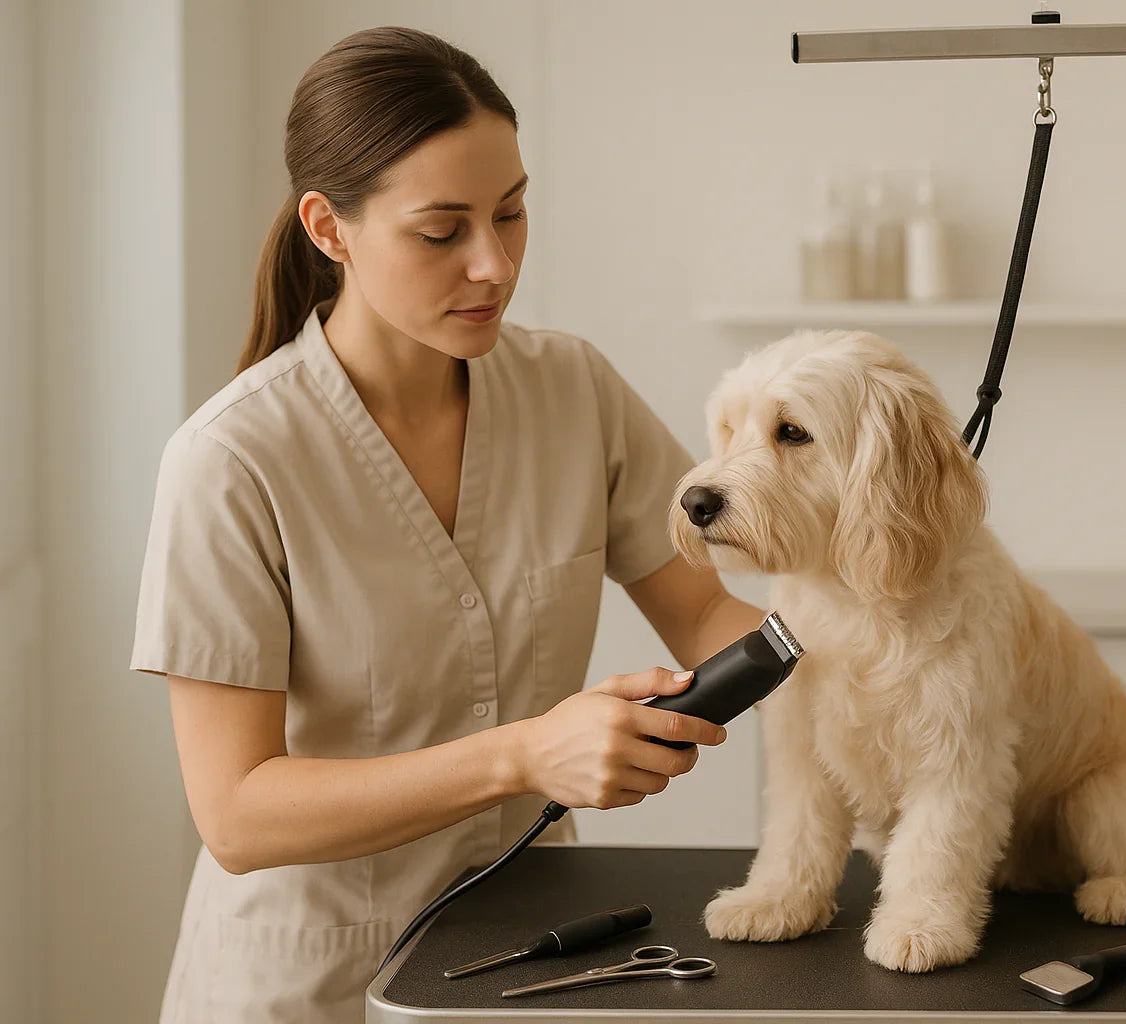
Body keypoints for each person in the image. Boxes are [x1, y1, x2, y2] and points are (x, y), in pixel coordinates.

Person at [129, 25, 764, 1023]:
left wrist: (895, 652)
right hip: (303, 986)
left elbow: (709, 617)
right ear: (329, 230)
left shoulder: (573, 389)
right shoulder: (232, 459)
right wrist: (524, 755)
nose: (494, 264)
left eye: (513, 214)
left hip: (531, 963)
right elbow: (237, 813)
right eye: (443, 231)